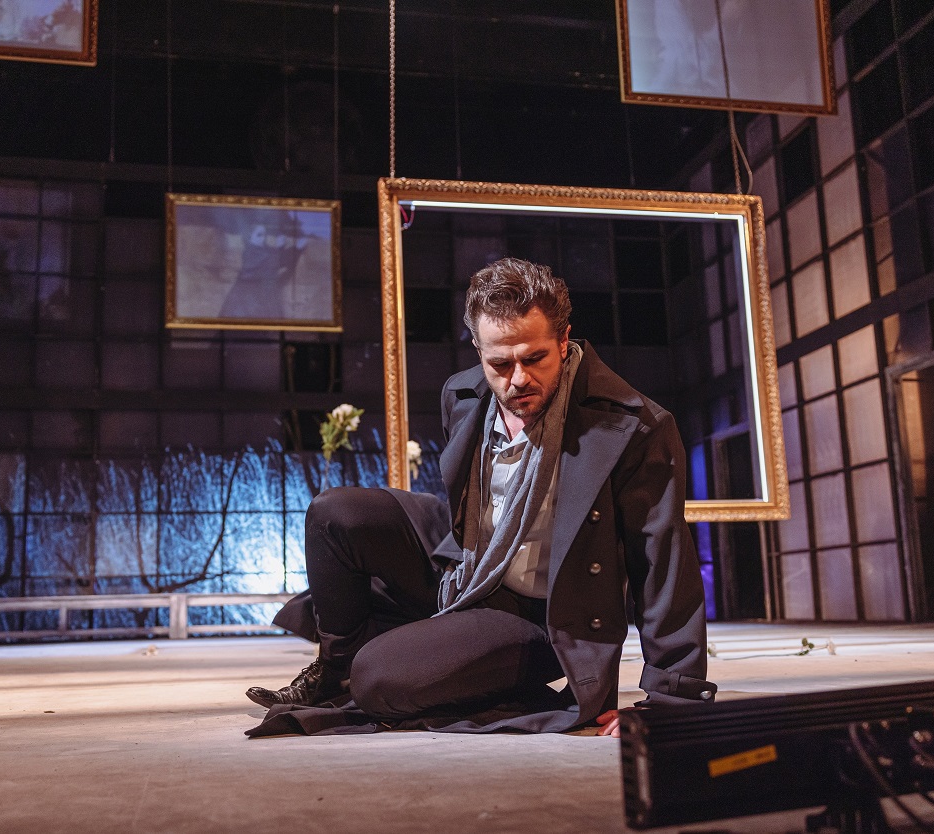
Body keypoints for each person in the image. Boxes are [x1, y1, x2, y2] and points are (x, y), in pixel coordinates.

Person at [246, 258, 715, 737]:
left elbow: (663, 562)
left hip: (542, 611)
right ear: (478, 348)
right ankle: (335, 668)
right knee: (335, 512)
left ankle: (393, 667)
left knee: (379, 680)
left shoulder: (633, 426)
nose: (518, 379)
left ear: (564, 339)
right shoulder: (463, 394)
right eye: (500, 364)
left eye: (535, 358)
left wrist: (670, 697)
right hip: (468, 567)